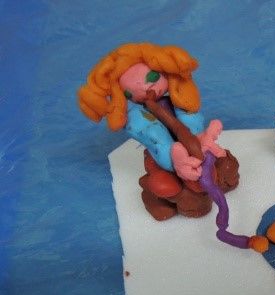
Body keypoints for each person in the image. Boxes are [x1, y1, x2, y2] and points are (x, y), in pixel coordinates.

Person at [78, 43, 238, 220]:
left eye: (152, 77)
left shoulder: (179, 101)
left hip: (197, 152)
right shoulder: (140, 118)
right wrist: (177, 161)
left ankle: (222, 184)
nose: (145, 88)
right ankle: (159, 198)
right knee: (189, 197)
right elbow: (162, 143)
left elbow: (187, 132)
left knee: (227, 166)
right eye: (129, 93)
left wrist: (203, 139)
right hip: (165, 161)